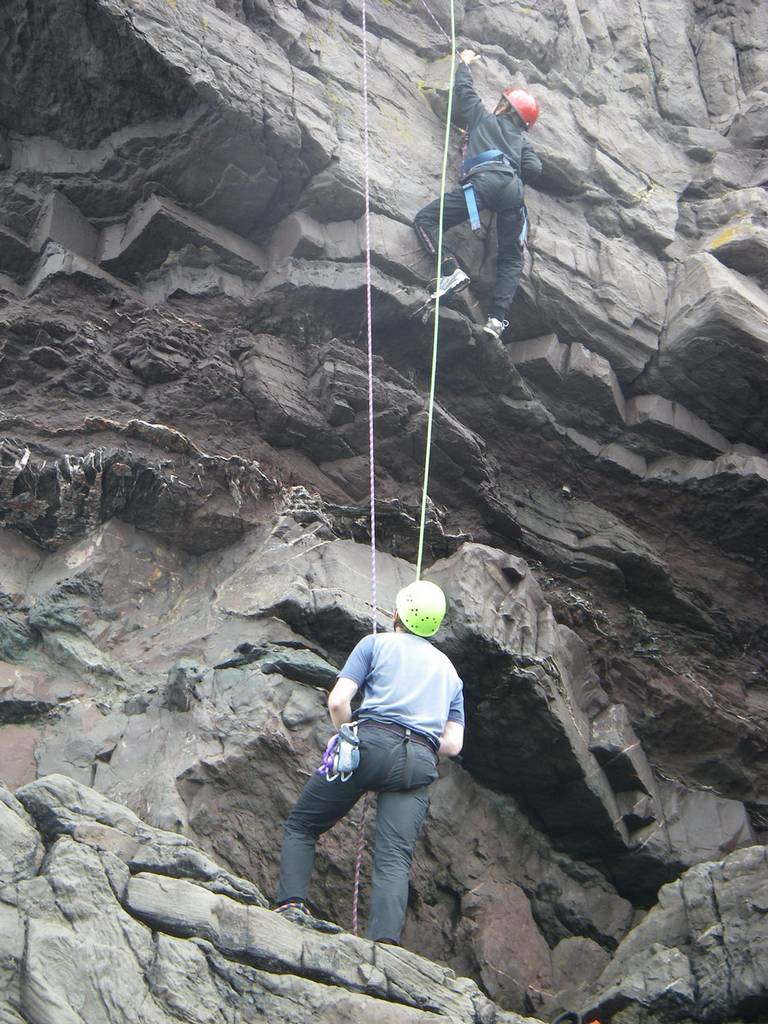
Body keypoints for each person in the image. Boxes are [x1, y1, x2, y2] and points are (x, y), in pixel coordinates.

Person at [274, 579, 465, 944]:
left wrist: (348, 734)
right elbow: (453, 744)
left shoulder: (374, 644)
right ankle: (385, 945)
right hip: (418, 764)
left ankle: (292, 905)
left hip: (369, 746)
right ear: (435, 626)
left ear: (396, 614)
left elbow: (337, 702)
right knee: (394, 859)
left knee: (302, 825)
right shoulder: (451, 675)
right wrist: (417, 737)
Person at [414, 48, 542, 341]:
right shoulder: (523, 143)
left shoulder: (482, 118)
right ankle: (496, 319)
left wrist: (463, 63)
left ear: (503, 107)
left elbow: (464, 89)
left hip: (482, 183)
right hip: (511, 191)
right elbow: (534, 170)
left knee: (425, 219)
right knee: (511, 258)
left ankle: (450, 270)